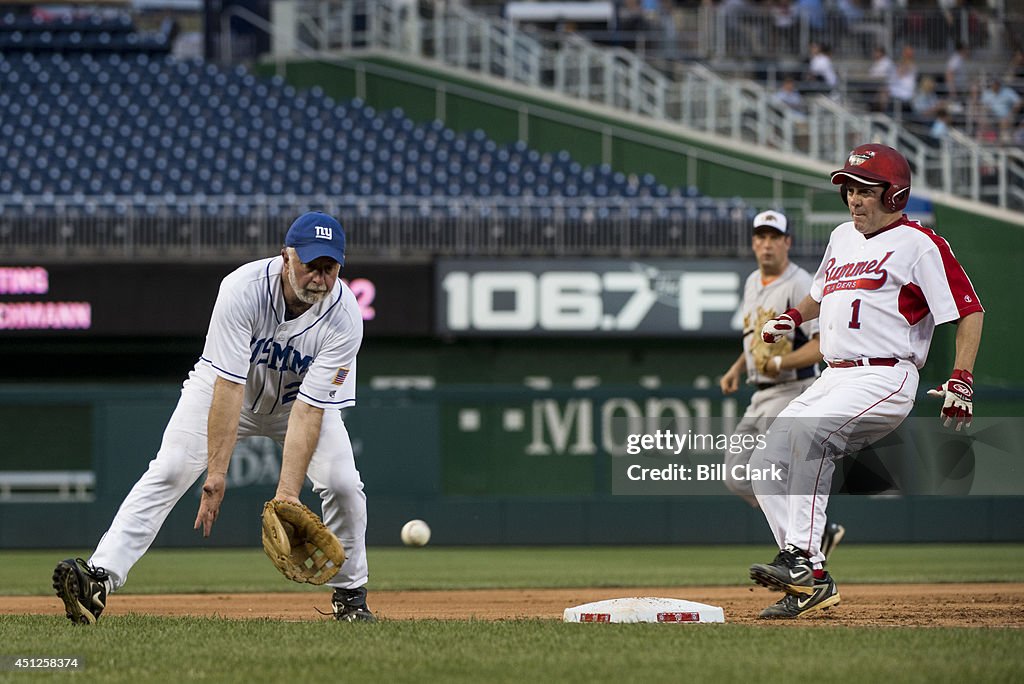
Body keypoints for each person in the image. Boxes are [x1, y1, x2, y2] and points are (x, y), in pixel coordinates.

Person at [52, 211, 376, 624]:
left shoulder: (345, 313)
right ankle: (99, 579)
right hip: (225, 392)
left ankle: (350, 596)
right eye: (311, 265)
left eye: (329, 268)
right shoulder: (243, 288)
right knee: (169, 469)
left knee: (345, 485)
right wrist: (216, 475)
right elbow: (229, 386)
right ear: (285, 257)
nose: (319, 277)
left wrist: (287, 494)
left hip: (297, 404)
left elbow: (311, 409)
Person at [749, 143, 984, 619]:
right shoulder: (841, 237)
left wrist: (962, 377)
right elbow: (821, 294)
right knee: (764, 463)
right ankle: (813, 576)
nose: (854, 198)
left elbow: (968, 310)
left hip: (886, 373)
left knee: (811, 434)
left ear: (894, 196)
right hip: (834, 375)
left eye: (865, 190)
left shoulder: (920, 244)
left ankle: (800, 561)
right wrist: (791, 317)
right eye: (849, 189)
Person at [719, 210, 844, 557]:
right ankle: (815, 536)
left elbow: (823, 346)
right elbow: (757, 337)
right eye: (761, 237)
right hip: (761, 393)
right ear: (753, 242)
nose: (767, 244)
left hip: (794, 391)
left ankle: (802, 550)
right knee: (736, 476)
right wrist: (737, 367)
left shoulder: (799, 283)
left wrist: (780, 362)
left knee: (763, 470)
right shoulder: (751, 282)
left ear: (787, 242)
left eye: (775, 237)